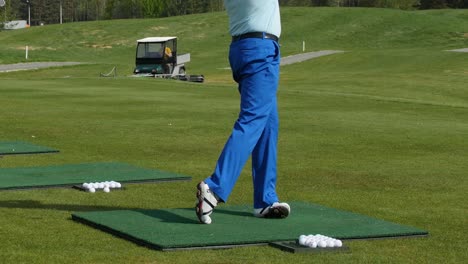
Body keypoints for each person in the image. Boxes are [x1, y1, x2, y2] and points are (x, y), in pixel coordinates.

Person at [195, 0, 290, 224]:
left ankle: (265, 200)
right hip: (260, 49)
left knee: (268, 123)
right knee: (253, 120)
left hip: (243, 48)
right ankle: (214, 188)